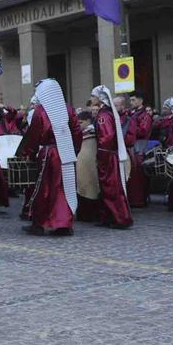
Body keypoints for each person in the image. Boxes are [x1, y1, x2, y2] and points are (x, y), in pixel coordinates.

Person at [19, 79, 81, 236]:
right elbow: (77, 132)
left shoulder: (41, 110)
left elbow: (34, 134)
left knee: (44, 189)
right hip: (65, 153)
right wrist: (74, 150)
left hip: (49, 154)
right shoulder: (68, 109)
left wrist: (29, 153)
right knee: (64, 188)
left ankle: (40, 223)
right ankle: (63, 223)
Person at [89, 87, 133, 229]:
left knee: (111, 188)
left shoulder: (103, 116)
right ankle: (108, 217)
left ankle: (120, 219)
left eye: (93, 96)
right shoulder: (108, 113)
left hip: (107, 156)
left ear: (100, 98)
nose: (91, 98)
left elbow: (106, 137)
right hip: (109, 155)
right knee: (108, 187)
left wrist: (101, 154)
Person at [125, 94, 152, 208]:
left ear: (140, 100)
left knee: (138, 175)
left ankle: (139, 200)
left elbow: (143, 131)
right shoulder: (131, 114)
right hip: (131, 148)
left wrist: (129, 128)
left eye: (133, 100)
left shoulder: (145, 115)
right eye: (130, 100)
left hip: (139, 148)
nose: (131, 102)